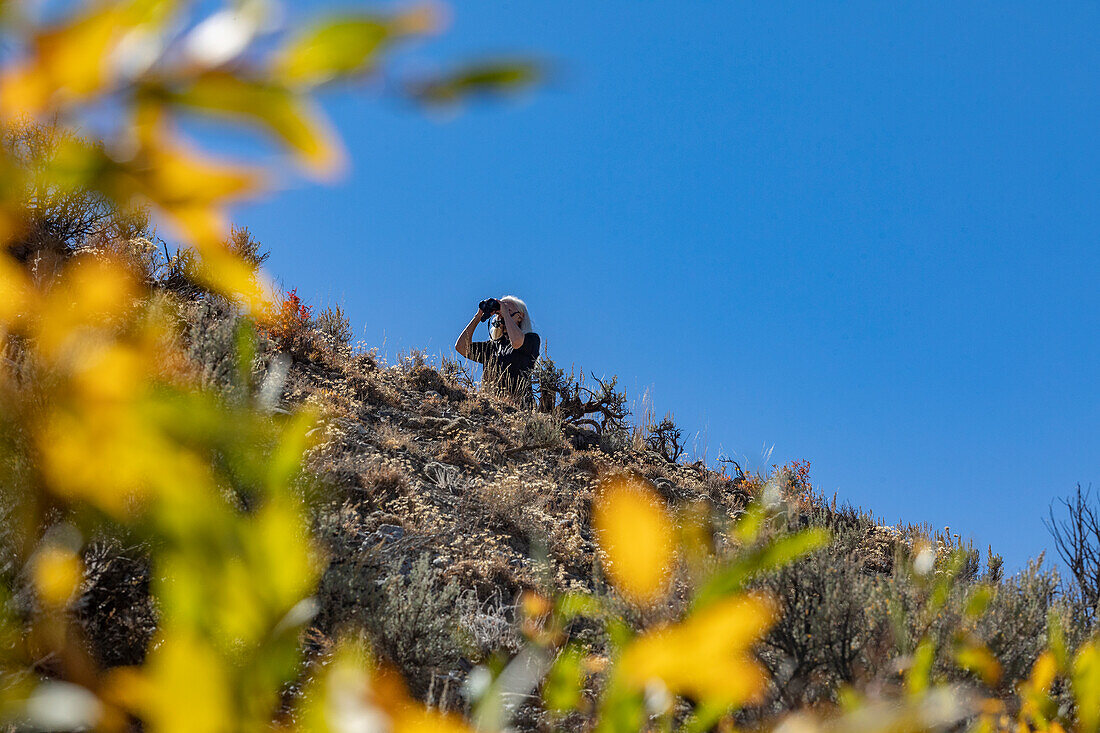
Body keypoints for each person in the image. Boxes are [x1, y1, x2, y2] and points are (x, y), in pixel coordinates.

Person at [455, 295, 541, 407]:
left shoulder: (531, 339)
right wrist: (479, 315)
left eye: (508, 310)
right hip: (492, 406)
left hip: (521, 406)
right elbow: (461, 347)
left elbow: (516, 342)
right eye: (499, 312)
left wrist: (505, 313)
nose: (501, 314)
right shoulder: (493, 346)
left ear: (520, 317)